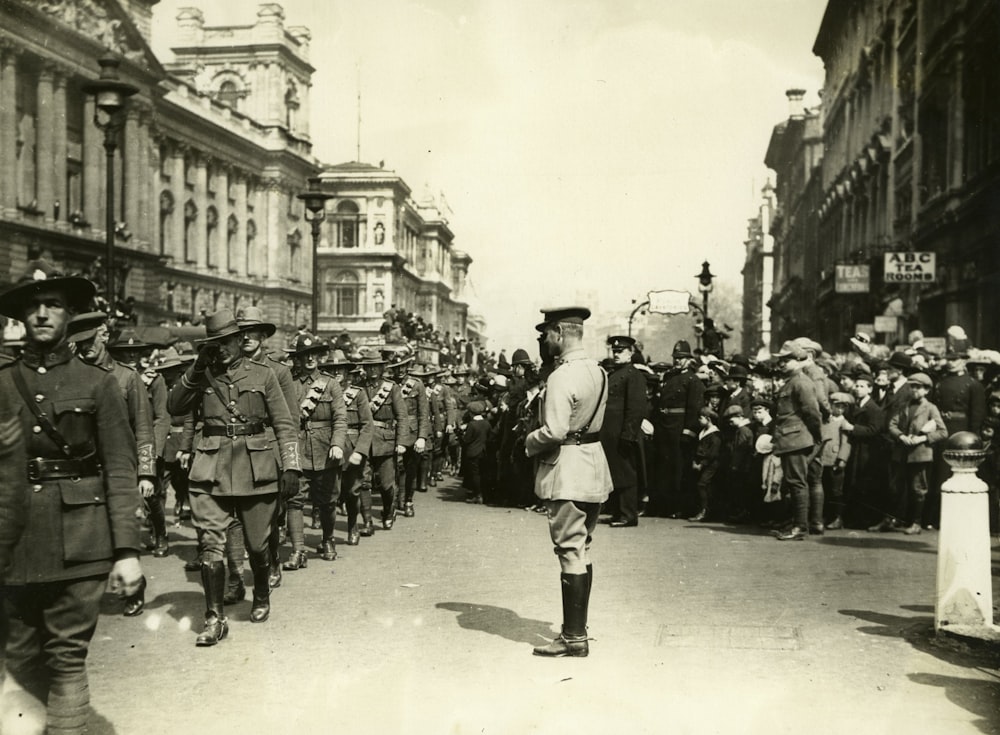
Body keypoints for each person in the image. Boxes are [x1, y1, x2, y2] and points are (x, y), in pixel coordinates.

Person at [0, 261, 142, 734]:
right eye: (34, 306)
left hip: (82, 537)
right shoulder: (2, 382)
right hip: (14, 540)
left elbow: (120, 467)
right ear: (21, 316)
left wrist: (126, 551)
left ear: (69, 315)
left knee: (66, 655)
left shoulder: (98, 383)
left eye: (53, 305)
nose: (42, 314)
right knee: (19, 653)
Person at [167, 309, 301, 646]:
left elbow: (284, 423)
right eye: (215, 343)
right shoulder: (202, 374)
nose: (222, 348)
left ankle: (261, 594)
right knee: (211, 545)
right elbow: (175, 406)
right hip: (210, 469)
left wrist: (291, 467)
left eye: (226, 341)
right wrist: (198, 366)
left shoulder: (264, 374)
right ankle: (214, 618)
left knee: (258, 544)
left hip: (256, 468)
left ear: (239, 340)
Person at [525, 307, 612, 657]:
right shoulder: (599, 371)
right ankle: (578, 629)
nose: (545, 341)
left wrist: (528, 442)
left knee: (569, 552)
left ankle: (573, 636)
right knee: (583, 548)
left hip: (567, 469)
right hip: (594, 466)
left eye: (546, 334)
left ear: (560, 332)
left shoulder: (561, 376)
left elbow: (556, 430)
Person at [66, 314, 157, 616]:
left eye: (90, 340)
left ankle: (135, 585)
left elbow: (143, 428)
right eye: (78, 342)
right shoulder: (71, 375)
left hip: (120, 467)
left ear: (103, 335)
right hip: (85, 470)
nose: (85, 347)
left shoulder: (127, 377)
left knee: (124, 526)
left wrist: (146, 473)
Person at [236, 307, 297, 590]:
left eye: (251, 332)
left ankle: (272, 560)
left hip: (268, 450)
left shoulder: (279, 371)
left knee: (268, 515)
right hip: (235, 451)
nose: (246, 337)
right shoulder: (229, 368)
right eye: (241, 332)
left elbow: (288, 420)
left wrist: (289, 463)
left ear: (263, 336)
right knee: (234, 516)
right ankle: (235, 573)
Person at [285, 334, 347, 565]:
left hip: (325, 449)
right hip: (298, 447)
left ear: (320, 357)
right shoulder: (288, 383)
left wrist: (337, 444)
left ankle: (328, 539)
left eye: (314, 354)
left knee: (328, 501)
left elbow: (340, 418)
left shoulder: (330, 384)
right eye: (305, 355)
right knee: (294, 499)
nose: (310, 359)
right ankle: (298, 550)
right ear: (299, 358)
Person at [770, 340, 823, 541]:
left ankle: (800, 527)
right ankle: (795, 524)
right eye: (781, 360)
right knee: (794, 482)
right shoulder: (792, 382)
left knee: (797, 483)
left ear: (800, 360)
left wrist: (816, 436)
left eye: (787, 360)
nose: (782, 364)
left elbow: (812, 413)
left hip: (796, 439)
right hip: (790, 439)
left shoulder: (801, 382)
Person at [320, 350, 373, 545]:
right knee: (330, 495)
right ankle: (329, 536)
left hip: (351, 450)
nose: (336, 373)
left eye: (340, 369)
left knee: (351, 492)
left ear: (346, 371)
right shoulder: (321, 393)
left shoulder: (358, 394)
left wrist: (360, 451)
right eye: (332, 370)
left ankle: (353, 526)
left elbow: (368, 425)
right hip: (328, 449)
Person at [887, 372, 947, 535]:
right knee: (896, 487)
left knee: (918, 489)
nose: (914, 390)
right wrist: (901, 436)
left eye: (918, 387)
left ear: (927, 390)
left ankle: (916, 522)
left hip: (920, 454)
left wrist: (922, 439)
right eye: (912, 386)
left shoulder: (931, 408)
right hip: (901, 453)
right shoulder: (904, 405)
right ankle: (893, 519)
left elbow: (942, 432)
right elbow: (892, 425)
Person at [651, 340, 704, 518]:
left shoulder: (693, 380)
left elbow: (694, 409)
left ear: (689, 359)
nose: (677, 361)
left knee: (680, 469)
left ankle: (681, 506)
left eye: (681, 358)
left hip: (679, 428)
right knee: (664, 468)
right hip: (664, 428)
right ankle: (665, 505)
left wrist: (688, 432)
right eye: (676, 358)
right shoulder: (669, 377)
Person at [599, 335, 648, 528]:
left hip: (622, 434)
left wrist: (628, 434)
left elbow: (635, 409)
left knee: (626, 474)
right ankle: (619, 512)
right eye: (614, 351)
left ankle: (628, 514)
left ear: (630, 352)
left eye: (621, 351)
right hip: (610, 434)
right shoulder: (615, 374)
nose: (616, 354)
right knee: (616, 473)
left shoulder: (633, 375)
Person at [358, 351, 408, 532]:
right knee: (364, 482)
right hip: (363, 441)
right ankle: (367, 522)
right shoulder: (357, 388)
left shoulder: (391, 388)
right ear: (364, 368)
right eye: (369, 366)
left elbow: (402, 416)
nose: (372, 369)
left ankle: (388, 511)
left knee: (387, 484)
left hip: (386, 442)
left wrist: (401, 441)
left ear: (381, 368)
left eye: (375, 366)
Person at [689, 407, 722, 521]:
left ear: (708, 419)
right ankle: (703, 510)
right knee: (701, 486)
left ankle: (705, 511)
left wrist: (701, 464)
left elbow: (713, 454)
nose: (699, 420)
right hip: (701, 463)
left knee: (703, 485)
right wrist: (694, 461)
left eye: (701, 418)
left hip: (710, 465)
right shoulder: (702, 432)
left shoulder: (715, 435)